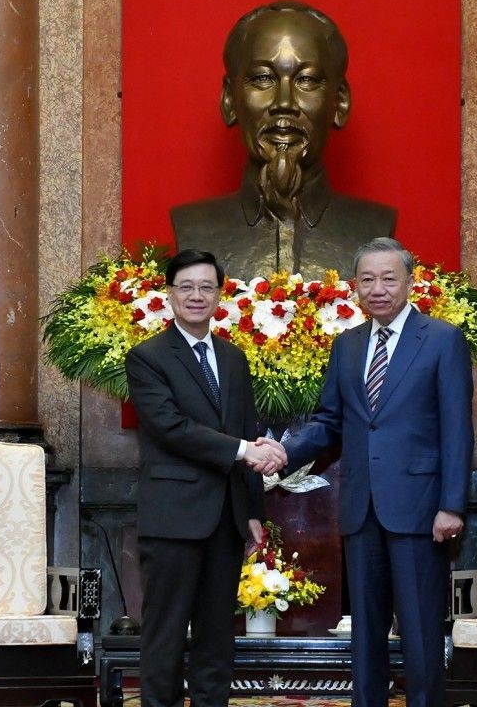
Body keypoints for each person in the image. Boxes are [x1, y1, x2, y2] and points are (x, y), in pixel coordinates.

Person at [274, 237, 473, 707]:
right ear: (354, 286)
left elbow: (457, 430)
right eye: (367, 279)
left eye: (389, 278)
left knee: (421, 633)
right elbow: (329, 423)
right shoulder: (347, 346)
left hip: (422, 511)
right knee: (365, 634)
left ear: (409, 282)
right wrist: (283, 452)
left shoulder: (443, 340)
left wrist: (452, 505)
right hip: (361, 511)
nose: (378, 288)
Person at [125, 249, 285, 707]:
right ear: (169, 294)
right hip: (173, 519)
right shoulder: (147, 357)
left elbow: (245, 429)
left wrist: (253, 511)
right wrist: (243, 450)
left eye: (206, 287)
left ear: (220, 295)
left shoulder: (233, 358)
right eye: (186, 287)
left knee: (217, 639)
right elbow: (169, 427)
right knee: (166, 637)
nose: (196, 296)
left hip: (226, 520)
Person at [171, 0, 396, 278]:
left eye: (307, 80)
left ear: (339, 102)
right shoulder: (193, 227)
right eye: (263, 78)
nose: (284, 103)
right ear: (229, 100)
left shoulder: (374, 226)